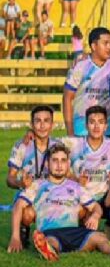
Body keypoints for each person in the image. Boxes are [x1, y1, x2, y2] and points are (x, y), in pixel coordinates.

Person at [7, 144, 110, 261]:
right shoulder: (37, 185)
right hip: (51, 231)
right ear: (48, 164)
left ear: (68, 164)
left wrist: (95, 216)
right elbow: (19, 205)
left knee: (99, 237)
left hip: (76, 232)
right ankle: (49, 251)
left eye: (63, 161)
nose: (59, 165)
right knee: (49, 241)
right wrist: (15, 237)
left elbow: (95, 206)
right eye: (55, 161)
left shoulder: (76, 186)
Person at [6, 106, 58, 247]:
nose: (42, 125)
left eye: (46, 121)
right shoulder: (22, 146)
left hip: (50, 196)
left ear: (52, 125)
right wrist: (20, 184)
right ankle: (23, 229)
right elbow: (9, 178)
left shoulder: (58, 146)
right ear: (32, 124)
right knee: (27, 213)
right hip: (28, 196)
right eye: (38, 121)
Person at [60, 106, 110, 205]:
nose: (96, 126)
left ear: (106, 126)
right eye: (92, 122)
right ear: (86, 126)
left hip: (103, 196)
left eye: (100, 122)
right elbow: (46, 143)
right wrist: (74, 178)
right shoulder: (73, 143)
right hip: (80, 195)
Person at [63, 27, 110, 137]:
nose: (109, 47)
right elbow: (67, 97)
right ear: (94, 46)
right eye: (105, 43)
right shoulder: (80, 66)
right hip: (82, 129)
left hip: (108, 130)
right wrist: (70, 132)